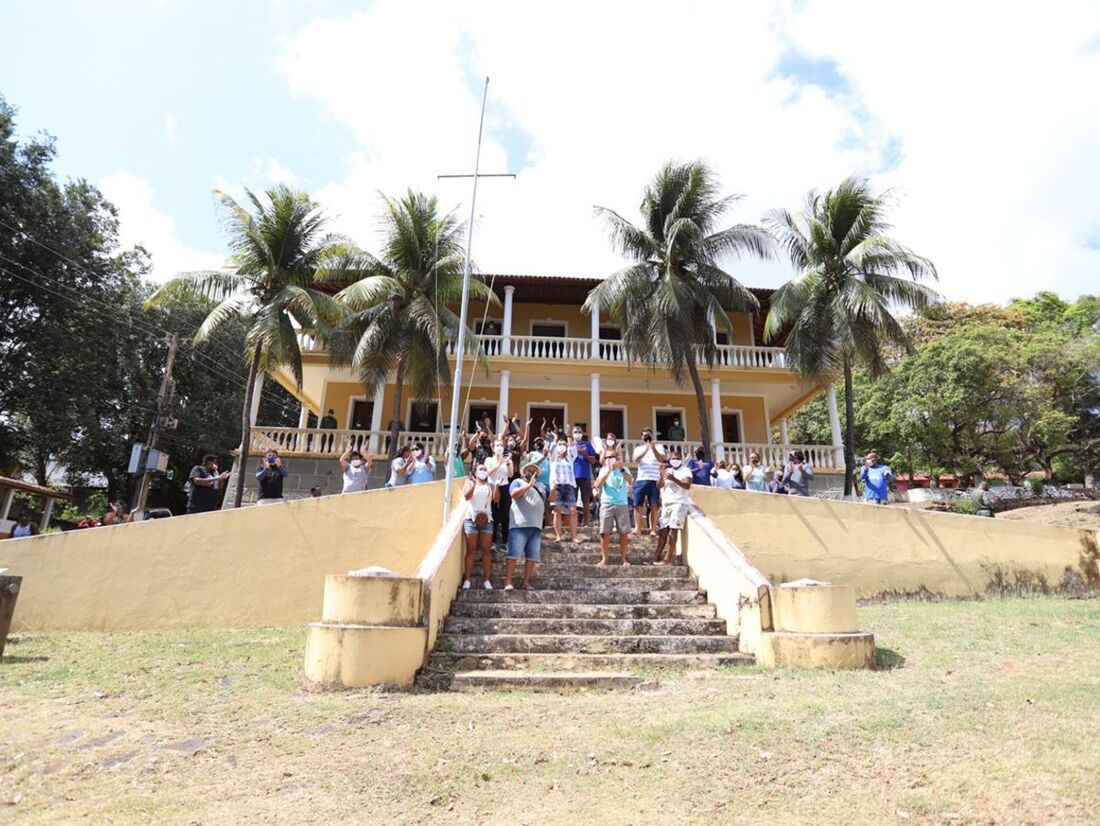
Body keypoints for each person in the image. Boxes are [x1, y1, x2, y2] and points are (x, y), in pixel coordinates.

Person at [505, 460, 549, 590]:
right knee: (513, 554)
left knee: (532, 557)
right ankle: (508, 582)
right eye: (529, 470)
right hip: (519, 525)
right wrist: (529, 485)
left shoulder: (541, 487)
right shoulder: (518, 482)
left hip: (536, 526)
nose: (531, 472)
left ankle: (526, 582)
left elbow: (550, 499)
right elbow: (513, 494)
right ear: (524, 472)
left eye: (534, 470)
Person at [461, 463, 498, 590]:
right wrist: (474, 483)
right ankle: (467, 579)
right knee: (471, 550)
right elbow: (467, 497)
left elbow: (496, 499)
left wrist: (497, 486)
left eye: (485, 469)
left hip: (487, 519)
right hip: (471, 519)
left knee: (486, 551)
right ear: (475, 472)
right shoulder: (469, 483)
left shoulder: (490, 485)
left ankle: (487, 580)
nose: (483, 471)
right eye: (481, 469)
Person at [593, 455, 634, 566]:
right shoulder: (603, 470)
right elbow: (597, 484)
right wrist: (608, 471)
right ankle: (604, 558)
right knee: (604, 532)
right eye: (609, 458)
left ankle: (624, 559)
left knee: (624, 533)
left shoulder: (625, 469)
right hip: (607, 503)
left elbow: (631, 481)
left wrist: (621, 469)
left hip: (622, 503)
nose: (611, 460)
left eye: (614, 457)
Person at [657, 451, 692, 564]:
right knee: (663, 531)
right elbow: (659, 486)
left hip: (679, 503)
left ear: (681, 459)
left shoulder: (685, 471)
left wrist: (674, 479)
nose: (675, 460)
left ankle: (668, 558)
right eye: (672, 458)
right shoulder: (668, 471)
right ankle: (656, 557)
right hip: (666, 504)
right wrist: (661, 475)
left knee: (673, 530)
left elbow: (687, 485)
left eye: (677, 458)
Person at [632, 427, 665, 536]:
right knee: (637, 505)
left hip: (654, 480)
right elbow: (635, 460)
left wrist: (653, 448)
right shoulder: (638, 448)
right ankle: (638, 528)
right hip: (641, 479)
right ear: (641, 437)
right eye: (644, 435)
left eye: (648, 435)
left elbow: (661, 459)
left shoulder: (659, 447)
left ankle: (653, 529)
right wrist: (646, 448)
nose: (646, 437)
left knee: (654, 505)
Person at [487, 437, 514, 549]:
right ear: (493, 448)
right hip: (492, 487)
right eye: (497, 445)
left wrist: (507, 463)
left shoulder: (508, 461)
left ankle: (505, 541)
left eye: (501, 445)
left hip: (504, 487)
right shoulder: (489, 460)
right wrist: (499, 463)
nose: (499, 448)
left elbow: (511, 474)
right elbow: (489, 471)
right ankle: (492, 541)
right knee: (493, 514)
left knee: (505, 515)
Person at [549, 442, 579, 543]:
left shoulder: (569, 459)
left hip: (569, 486)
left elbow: (574, 450)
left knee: (573, 511)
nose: (561, 446)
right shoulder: (553, 459)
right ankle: (558, 536)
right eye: (560, 444)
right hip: (557, 486)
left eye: (563, 444)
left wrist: (569, 442)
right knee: (557, 512)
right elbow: (551, 448)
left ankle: (574, 536)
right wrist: (555, 440)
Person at [571, 426, 598, 529]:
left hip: (585, 475)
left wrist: (584, 454)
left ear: (582, 433)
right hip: (572, 476)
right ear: (572, 433)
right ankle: (573, 523)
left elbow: (593, 460)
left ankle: (586, 523)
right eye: (575, 432)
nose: (577, 433)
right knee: (572, 501)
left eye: (579, 432)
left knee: (585, 500)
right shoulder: (570, 446)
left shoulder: (587, 445)